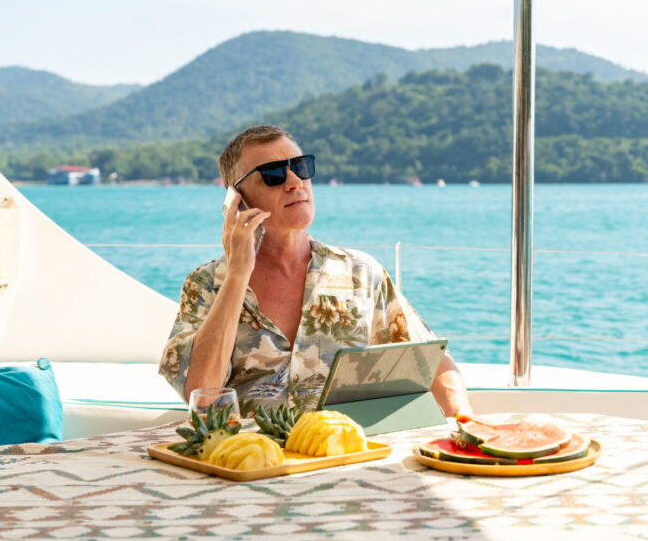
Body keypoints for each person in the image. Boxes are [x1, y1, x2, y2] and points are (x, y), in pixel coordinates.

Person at [158, 125, 471, 417]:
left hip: (343, 461)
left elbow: (435, 365)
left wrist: (463, 428)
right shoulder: (206, 284)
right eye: (273, 174)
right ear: (236, 200)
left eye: (302, 167)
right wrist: (238, 274)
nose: (295, 182)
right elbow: (203, 397)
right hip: (249, 464)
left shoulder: (360, 274)